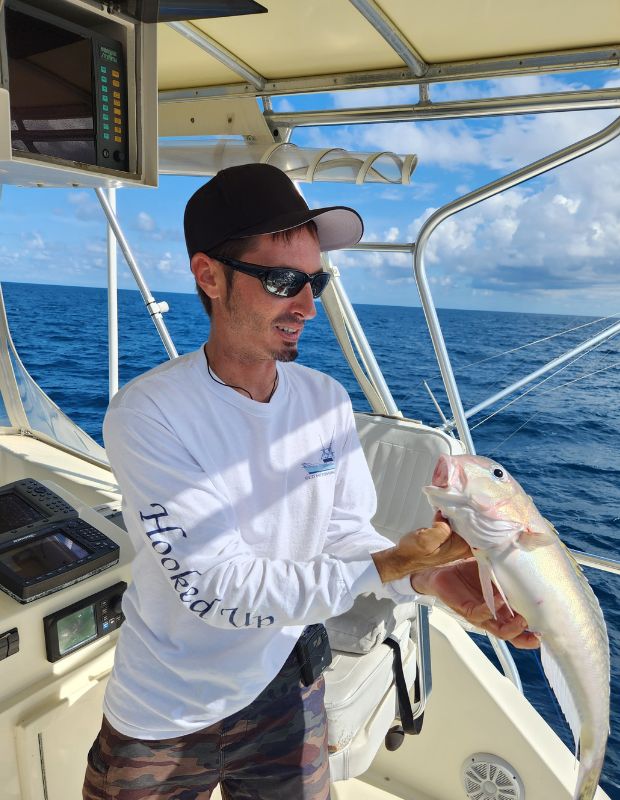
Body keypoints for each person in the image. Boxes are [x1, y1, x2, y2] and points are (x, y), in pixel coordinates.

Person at [83, 164, 538, 800]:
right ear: (208, 276)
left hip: (286, 680)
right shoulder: (150, 413)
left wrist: (427, 578)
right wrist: (387, 566)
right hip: (167, 713)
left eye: (316, 281)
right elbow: (216, 589)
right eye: (282, 280)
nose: (307, 304)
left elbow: (345, 532)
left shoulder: (324, 399)